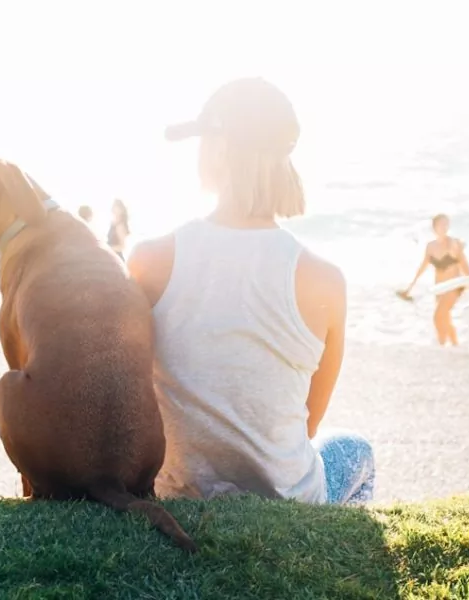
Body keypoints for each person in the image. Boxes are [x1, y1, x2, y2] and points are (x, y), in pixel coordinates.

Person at [128, 77, 374, 506]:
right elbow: (308, 425)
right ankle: (335, 554)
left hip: (178, 491)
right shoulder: (325, 280)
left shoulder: (150, 259)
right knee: (356, 450)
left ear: (218, 150)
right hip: (288, 498)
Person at [398, 214, 469, 346]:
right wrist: (410, 288)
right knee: (444, 318)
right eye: (441, 224)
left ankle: (442, 346)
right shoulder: (430, 246)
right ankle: (454, 345)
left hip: (454, 286)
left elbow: (465, 266)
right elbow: (422, 268)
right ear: (434, 227)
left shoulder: (455, 244)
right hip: (439, 287)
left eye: (447, 224)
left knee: (438, 316)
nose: (445, 227)